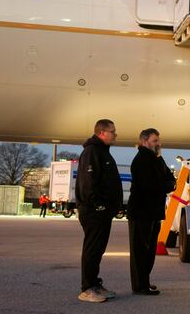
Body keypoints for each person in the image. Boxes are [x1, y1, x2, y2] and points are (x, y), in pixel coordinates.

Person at [75, 119, 123, 303]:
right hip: (94, 211)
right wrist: (98, 205)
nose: (115, 134)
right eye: (113, 131)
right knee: (92, 249)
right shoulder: (92, 152)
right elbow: (88, 182)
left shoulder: (102, 152)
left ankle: (94, 284)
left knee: (98, 249)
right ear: (102, 132)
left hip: (102, 211)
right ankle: (87, 289)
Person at [127, 128, 176, 296]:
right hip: (141, 212)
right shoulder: (141, 160)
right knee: (140, 250)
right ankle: (140, 286)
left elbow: (171, 178)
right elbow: (149, 186)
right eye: (155, 141)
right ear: (144, 141)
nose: (158, 144)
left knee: (149, 250)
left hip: (153, 212)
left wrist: (168, 184)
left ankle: (145, 282)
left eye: (158, 141)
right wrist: (168, 185)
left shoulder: (156, 159)